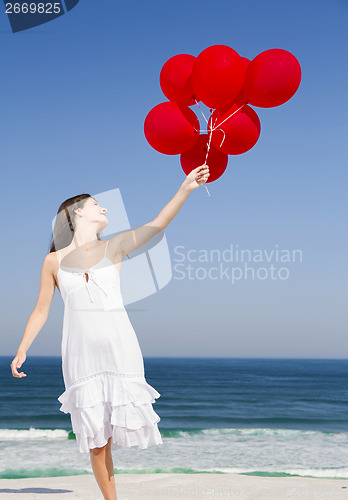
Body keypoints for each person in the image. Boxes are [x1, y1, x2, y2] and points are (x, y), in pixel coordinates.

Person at [10, 164, 210, 500]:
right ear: (77, 214)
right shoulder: (53, 262)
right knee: (97, 440)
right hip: (81, 356)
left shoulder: (115, 246)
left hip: (120, 349)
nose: (104, 208)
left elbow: (158, 223)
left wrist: (185, 188)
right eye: (95, 205)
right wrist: (22, 348)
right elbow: (41, 308)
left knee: (115, 433)